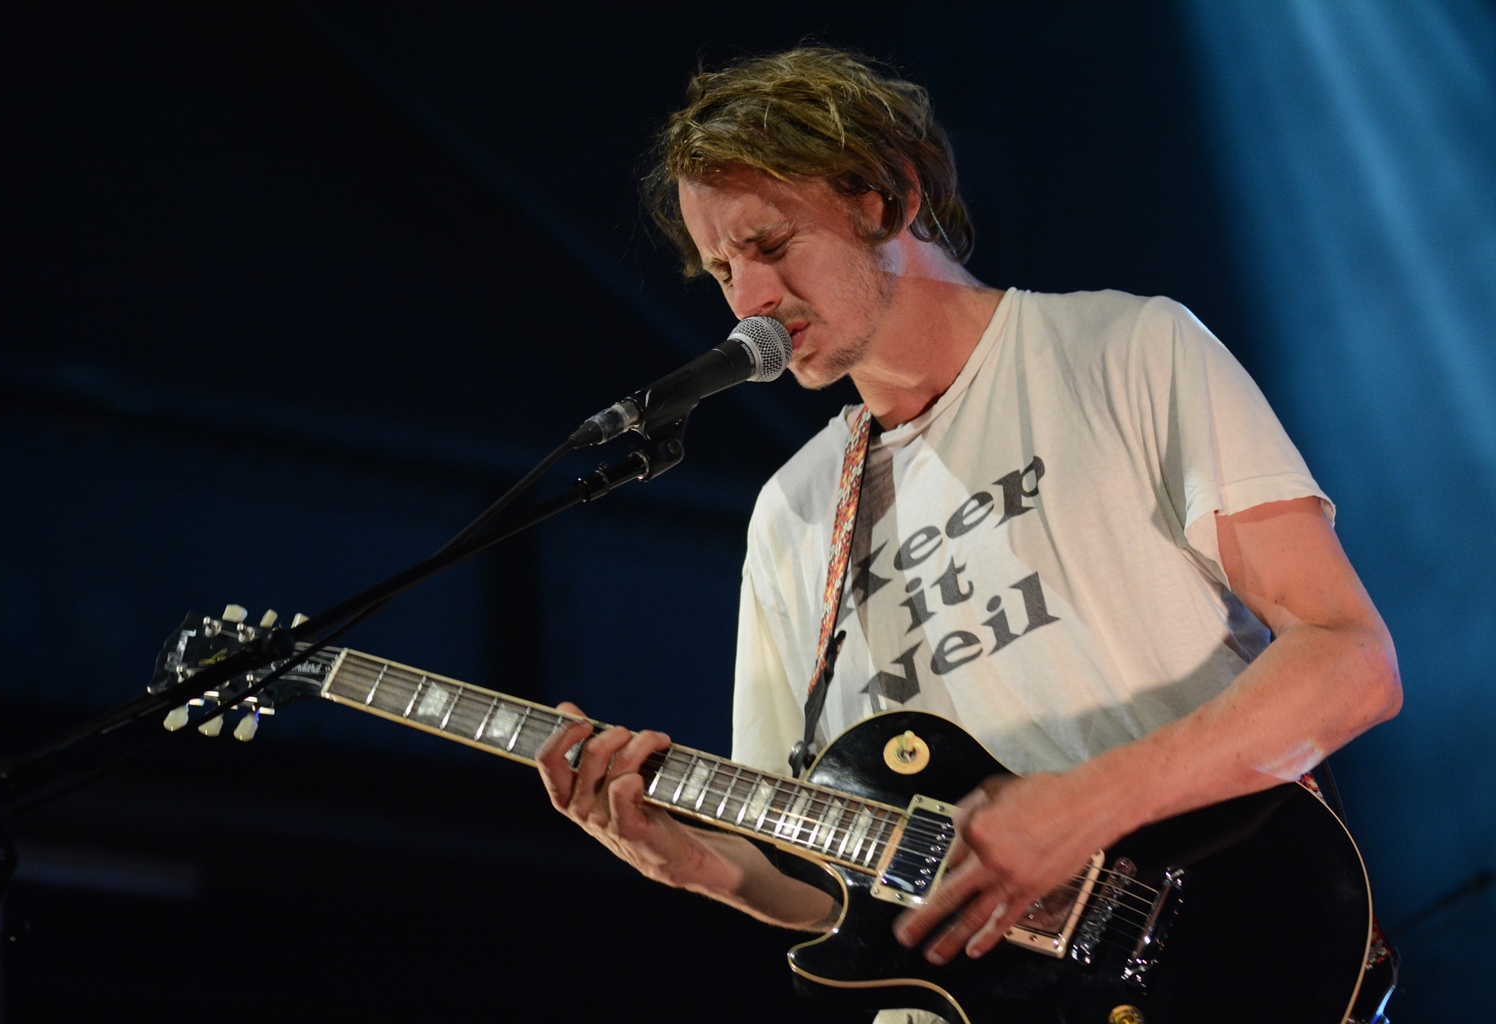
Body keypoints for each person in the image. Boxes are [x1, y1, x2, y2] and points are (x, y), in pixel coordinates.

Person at [534, 46, 1402, 1020]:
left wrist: (1081, 807)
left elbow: (1350, 662)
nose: (748, 301)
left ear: (888, 201)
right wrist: (701, 866)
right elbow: (837, 888)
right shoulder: (794, 510)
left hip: (1211, 962)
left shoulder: (1127, 349)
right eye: (723, 268)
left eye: (773, 244)